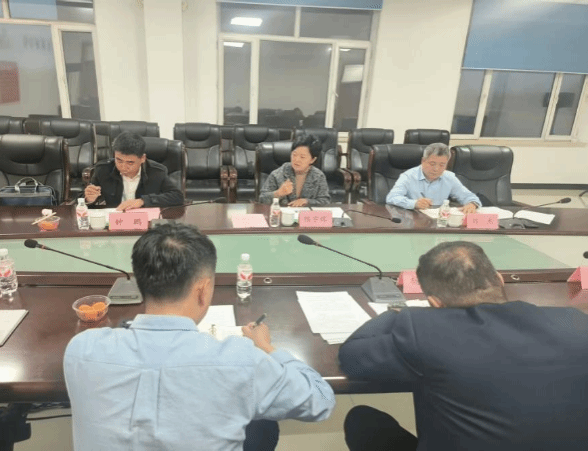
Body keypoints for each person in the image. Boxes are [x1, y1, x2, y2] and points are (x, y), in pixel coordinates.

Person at [63, 223, 335, 451]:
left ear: (140, 282)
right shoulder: (241, 361)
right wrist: (268, 347)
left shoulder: (82, 349)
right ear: (203, 290)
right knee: (262, 427)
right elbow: (321, 401)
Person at [339, 241, 588, 451]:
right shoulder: (575, 321)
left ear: (435, 303)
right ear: (500, 280)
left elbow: (352, 357)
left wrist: (396, 311)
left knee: (363, 422)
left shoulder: (424, 331)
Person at [84, 132, 184, 210]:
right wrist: (89, 198)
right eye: (119, 160)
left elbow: (177, 197)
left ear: (142, 158)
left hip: (144, 220)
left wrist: (142, 201)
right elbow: (84, 198)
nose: (123, 167)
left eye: (130, 162)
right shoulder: (103, 169)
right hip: (115, 219)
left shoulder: (157, 172)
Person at [386, 142, 480, 214]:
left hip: (439, 221)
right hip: (414, 220)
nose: (436, 169)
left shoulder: (449, 177)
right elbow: (392, 197)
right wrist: (414, 203)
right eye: (432, 164)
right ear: (423, 161)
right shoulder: (408, 176)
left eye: (442, 165)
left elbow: (469, 196)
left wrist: (472, 204)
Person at [259, 134, 330, 207]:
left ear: (312, 160)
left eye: (302, 157)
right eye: (294, 155)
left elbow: (325, 201)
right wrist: (278, 193)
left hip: (305, 213)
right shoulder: (279, 173)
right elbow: (262, 199)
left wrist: (307, 201)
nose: (296, 160)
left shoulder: (318, 176)